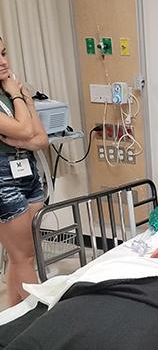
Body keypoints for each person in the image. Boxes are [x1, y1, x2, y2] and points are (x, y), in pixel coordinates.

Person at [0, 36, 49, 306]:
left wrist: (21, 140)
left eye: (4, 53)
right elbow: (26, 129)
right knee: (24, 257)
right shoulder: (12, 90)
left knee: (19, 256)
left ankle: (11, 318)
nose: (3, 62)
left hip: (26, 168)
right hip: (3, 178)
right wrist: (18, 94)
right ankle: (38, 320)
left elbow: (40, 138)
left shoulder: (9, 90)